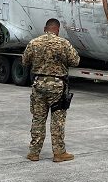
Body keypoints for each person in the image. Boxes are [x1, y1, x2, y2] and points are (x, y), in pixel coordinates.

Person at [22, 18, 80, 163]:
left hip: (39, 84)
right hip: (57, 86)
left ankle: (34, 153)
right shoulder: (63, 43)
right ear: (57, 30)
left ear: (45, 28)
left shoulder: (34, 43)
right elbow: (75, 61)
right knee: (57, 120)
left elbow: (25, 61)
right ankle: (59, 153)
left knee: (38, 119)